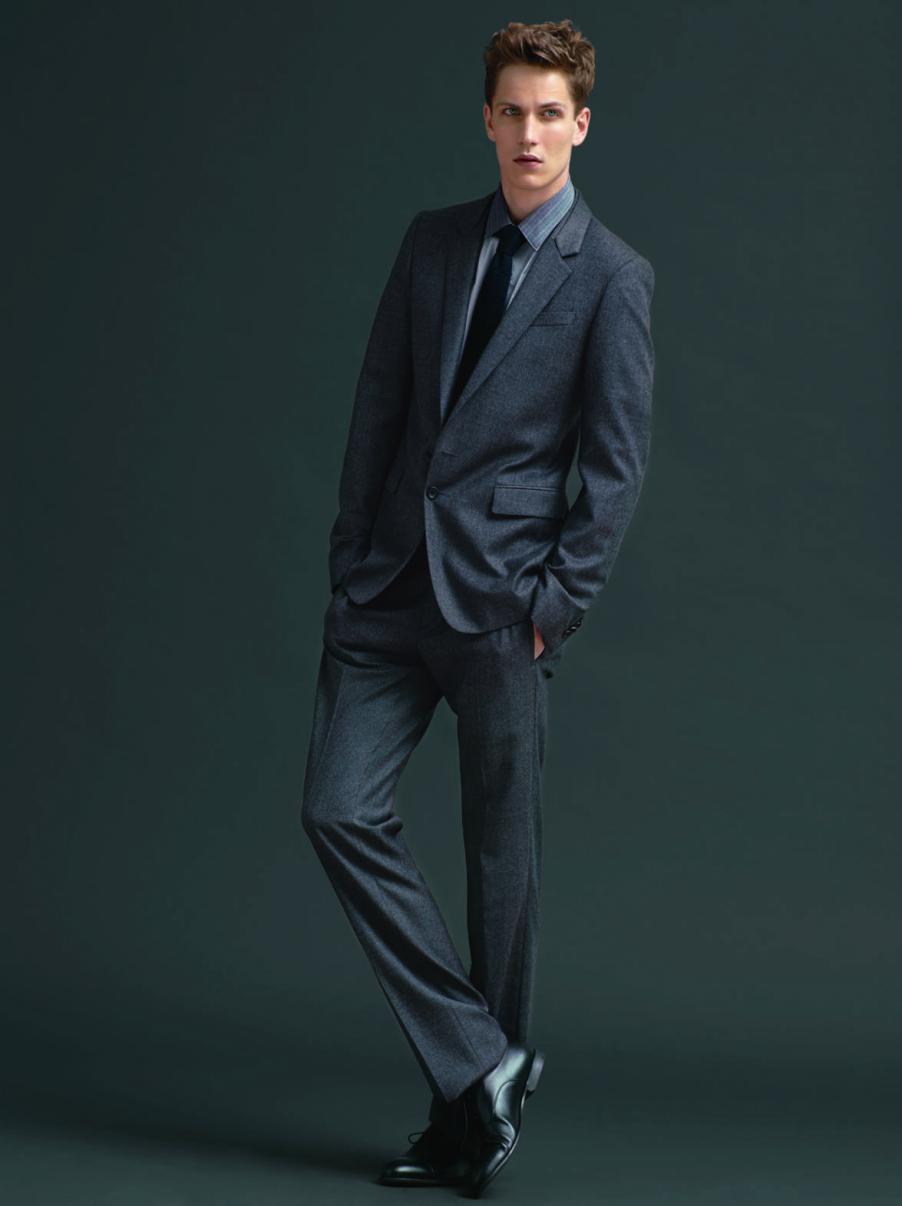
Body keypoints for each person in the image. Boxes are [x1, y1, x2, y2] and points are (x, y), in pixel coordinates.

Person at [301, 17, 655, 1197]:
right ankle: (483, 1064)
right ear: (487, 121)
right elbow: (377, 403)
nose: (529, 135)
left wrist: (554, 605)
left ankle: (465, 1124)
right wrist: (352, 557)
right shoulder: (432, 242)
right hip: (389, 590)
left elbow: (613, 469)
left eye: (550, 114)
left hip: (503, 605)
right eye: (512, 112)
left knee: (501, 872)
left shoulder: (610, 277)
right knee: (336, 808)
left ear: (580, 125)